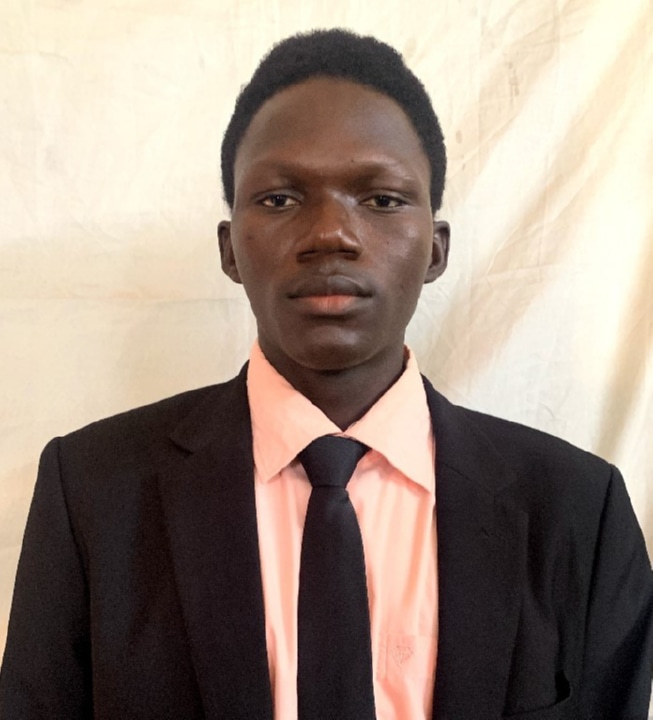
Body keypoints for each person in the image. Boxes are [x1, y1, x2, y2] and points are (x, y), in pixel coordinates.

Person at [1, 28, 652, 720]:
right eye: (280, 199)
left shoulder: (578, 511)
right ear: (229, 248)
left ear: (436, 249)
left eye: (381, 199)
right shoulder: (93, 494)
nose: (330, 234)